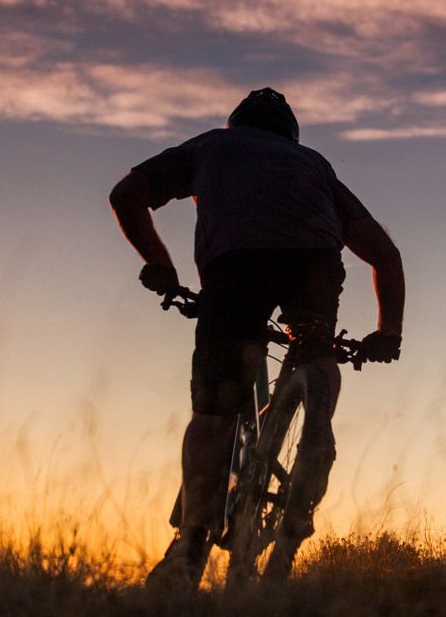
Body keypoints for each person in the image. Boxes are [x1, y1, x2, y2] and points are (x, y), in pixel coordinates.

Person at [109, 88, 405, 590]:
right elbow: (386, 254)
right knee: (314, 346)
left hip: (235, 268)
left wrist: (159, 263)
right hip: (312, 264)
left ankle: (191, 546)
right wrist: (388, 333)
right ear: (289, 136)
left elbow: (126, 194)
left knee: (216, 412)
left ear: (237, 125)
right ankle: (317, 407)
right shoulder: (314, 164)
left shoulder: (212, 147)